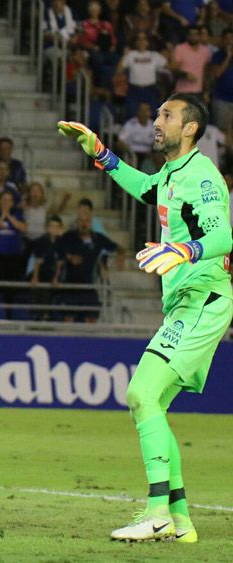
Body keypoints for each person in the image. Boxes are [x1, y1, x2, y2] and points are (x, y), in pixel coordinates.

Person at [58, 94, 232, 542]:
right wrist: (101, 153)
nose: (156, 121)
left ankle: (156, 512)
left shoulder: (204, 174)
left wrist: (183, 249)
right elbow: (145, 187)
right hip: (185, 302)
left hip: (203, 299)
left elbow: (223, 235)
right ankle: (183, 525)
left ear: (190, 128)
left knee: (140, 393)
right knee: (152, 405)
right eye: (157, 114)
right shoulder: (173, 173)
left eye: (166, 115)